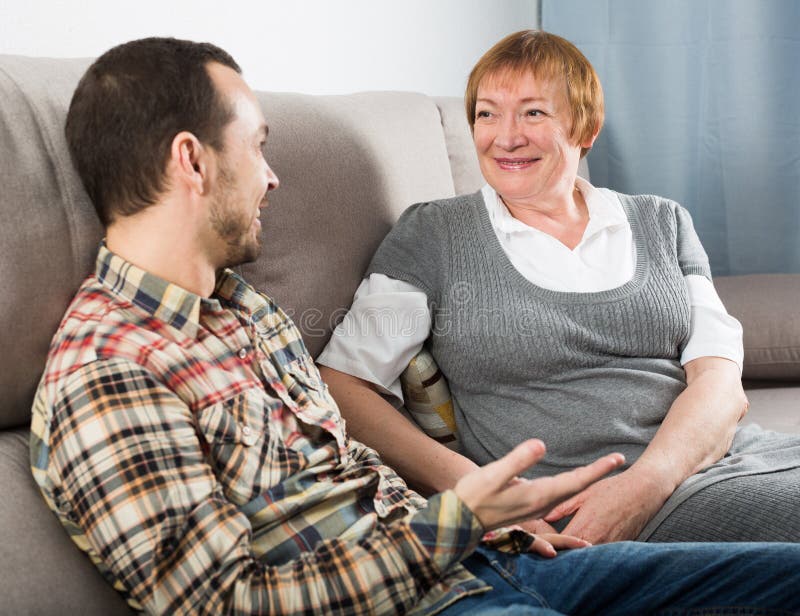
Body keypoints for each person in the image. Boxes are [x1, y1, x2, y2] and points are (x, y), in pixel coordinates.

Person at [29, 36, 800, 616]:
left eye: (534, 112)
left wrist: (480, 529)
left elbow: (352, 478)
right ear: (193, 162)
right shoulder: (108, 370)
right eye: (258, 146)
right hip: (429, 595)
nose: (272, 176)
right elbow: (222, 600)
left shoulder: (244, 308)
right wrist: (456, 516)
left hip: (497, 557)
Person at [318, 29, 800, 546]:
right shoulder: (434, 235)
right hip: (575, 502)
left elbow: (720, 383)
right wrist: (474, 491)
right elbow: (345, 385)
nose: (505, 137)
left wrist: (644, 486)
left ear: (585, 127)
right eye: (486, 113)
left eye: (533, 113)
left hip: (712, 468)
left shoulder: (663, 220)